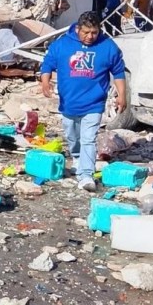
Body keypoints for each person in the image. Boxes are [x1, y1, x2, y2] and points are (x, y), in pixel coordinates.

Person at [40, 11, 127, 192]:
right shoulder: (63, 44)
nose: (90, 37)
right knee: (72, 134)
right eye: (86, 32)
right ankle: (77, 157)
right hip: (69, 102)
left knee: (88, 138)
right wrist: (45, 81)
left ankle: (86, 175)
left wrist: (122, 95)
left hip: (94, 102)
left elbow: (118, 72)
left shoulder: (108, 46)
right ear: (78, 29)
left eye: (94, 33)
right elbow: (48, 62)